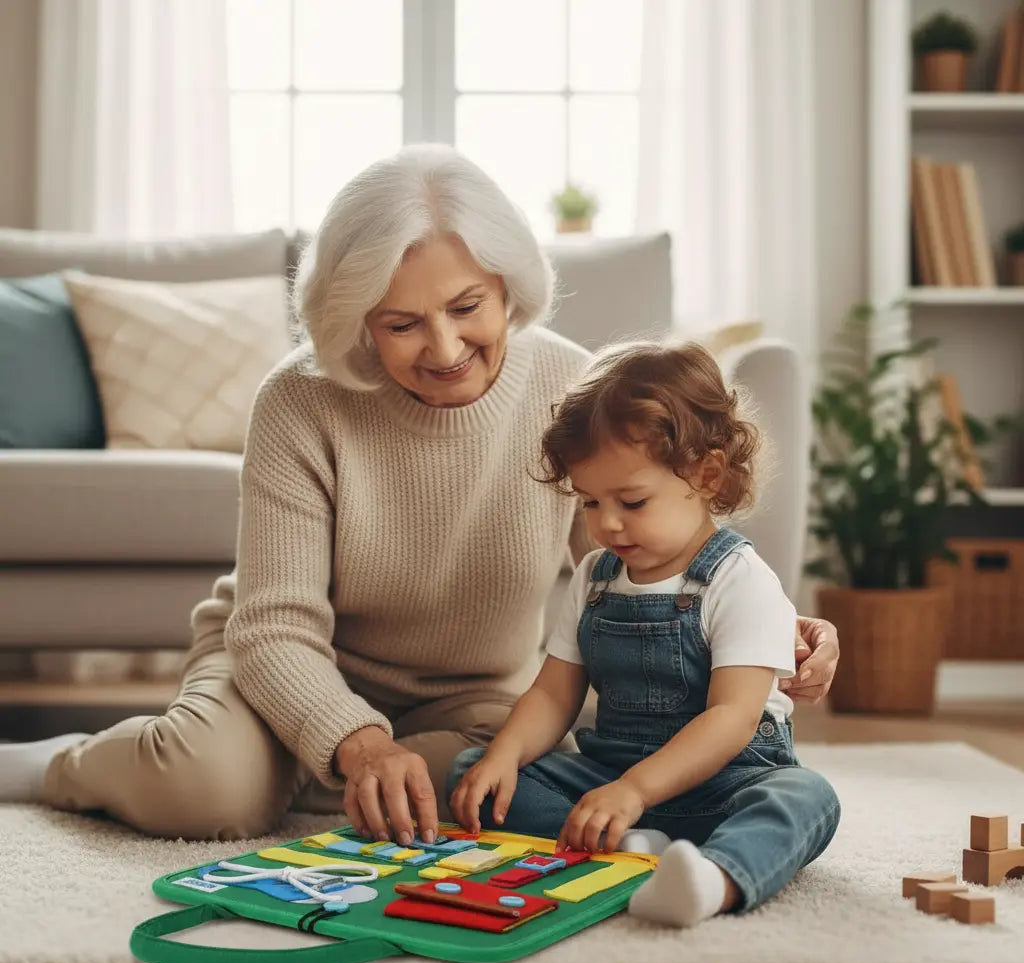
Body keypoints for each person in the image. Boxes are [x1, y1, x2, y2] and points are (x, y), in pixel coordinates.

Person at [0, 145, 839, 842]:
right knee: (206, 795)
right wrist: (358, 742)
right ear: (359, 317)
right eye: (400, 323)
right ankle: (67, 762)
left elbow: (645, 559)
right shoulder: (299, 400)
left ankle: (305, 778)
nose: (443, 349)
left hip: (474, 698)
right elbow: (276, 625)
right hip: (289, 667)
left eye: (466, 307)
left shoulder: (574, 391)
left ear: (509, 285)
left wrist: (768, 624)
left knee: (485, 803)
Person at [447, 340, 841, 928]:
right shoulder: (595, 577)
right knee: (475, 772)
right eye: (589, 502)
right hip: (615, 775)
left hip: (727, 780)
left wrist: (636, 789)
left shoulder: (740, 578)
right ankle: (632, 849)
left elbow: (731, 720)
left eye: (631, 501)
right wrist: (504, 756)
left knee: (806, 800)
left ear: (705, 474)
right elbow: (554, 695)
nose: (606, 524)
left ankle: (715, 878)